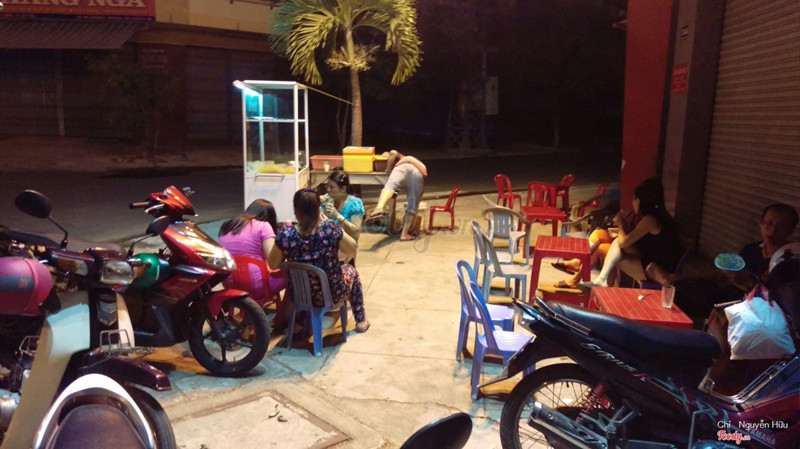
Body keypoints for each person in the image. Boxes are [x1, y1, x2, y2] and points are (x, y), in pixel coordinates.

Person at [664, 202, 800, 328]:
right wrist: (687, 278)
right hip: (727, 294)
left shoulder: (789, 261)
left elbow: (780, 303)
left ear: (791, 230)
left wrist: (748, 283)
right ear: (761, 224)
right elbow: (722, 273)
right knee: (679, 290)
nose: (772, 230)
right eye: (768, 223)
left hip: (751, 308)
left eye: (781, 226)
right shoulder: (751, 249)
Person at [268, 189, 370, 333]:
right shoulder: (329, 229)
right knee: (351, 270)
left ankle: (299, 322)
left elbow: (272, 264)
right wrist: (330, 223)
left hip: (299, 295)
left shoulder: (286, 234)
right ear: (318, 210)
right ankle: (361, 321)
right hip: (332, 294)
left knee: (303, 280)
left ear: (296, 211)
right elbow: (352, 248)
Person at [557, 178, 684, 289]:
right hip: (646, 256)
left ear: (640, 201)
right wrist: (620, 231)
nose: (633, 202)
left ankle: (596, 278)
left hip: (655, 267)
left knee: (616, 247)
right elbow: (637, 239)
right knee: (600, 235)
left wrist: (620, 225)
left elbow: (624, 243)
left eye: (634, 198)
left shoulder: (650, 220)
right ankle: (584, 267)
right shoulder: (654, 217)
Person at [218, 199, 287, 298]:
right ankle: (287, 307)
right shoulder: (263, 226)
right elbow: (273, 264)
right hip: (258, 285)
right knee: (294, 275)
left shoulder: (227, 225)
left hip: (230, 284)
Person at [367, 150, 428, 241]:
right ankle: (404, 234)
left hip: (405, 168)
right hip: (418, 172)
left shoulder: (400, 158)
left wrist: (388, 169)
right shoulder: (404, 159)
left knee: (390, 186)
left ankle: (379, 207)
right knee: (412, 205)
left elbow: (393, 152)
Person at [321, 169, 364, 242]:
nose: (328, 190)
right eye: (327, 186)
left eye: (332, 187)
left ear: (343, 188)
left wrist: (338, 216)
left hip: (346, 244)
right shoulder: (325, 200)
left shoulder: (354, 203)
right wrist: (316, 206)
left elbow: (356, 234)